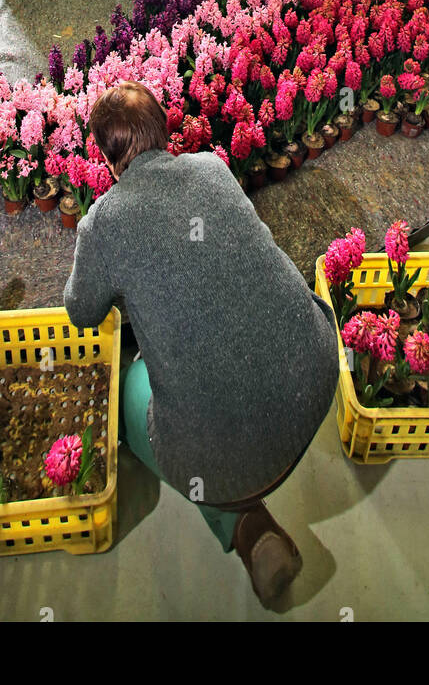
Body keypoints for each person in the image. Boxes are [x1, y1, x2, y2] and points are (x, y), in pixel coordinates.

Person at [63, 81, 339, 605]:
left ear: (108, 158)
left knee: (130, 394)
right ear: (164, 131)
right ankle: (249, 524)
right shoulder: (213, 169)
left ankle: (245, 526)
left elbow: (81, 311)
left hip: (233, 454)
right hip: (316, 375)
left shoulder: (103, 221)